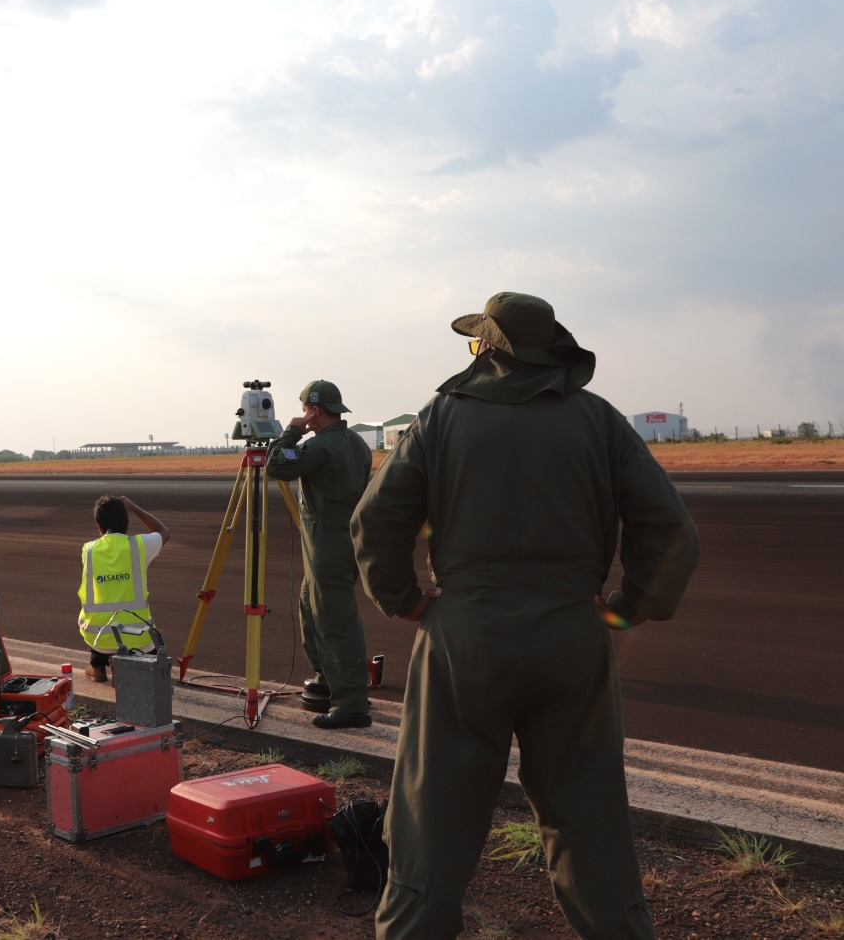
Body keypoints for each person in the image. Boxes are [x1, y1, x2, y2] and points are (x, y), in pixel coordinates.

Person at [351, 292, 700, 939]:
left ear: (488, 350)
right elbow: (672, 529)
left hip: (464, 640)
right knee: (589, 819)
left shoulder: (442, 418)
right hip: (573, 637)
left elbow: (376, 521)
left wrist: (407, 601)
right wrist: (626, 609)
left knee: (433, 819)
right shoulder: (598, 420)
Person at [265, 380, 374, 729]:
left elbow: (277, 464)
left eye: (304, 411)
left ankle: (352, 703)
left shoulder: (322, 447)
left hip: (328, 540)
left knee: (334, 619)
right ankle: (329, 681)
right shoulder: (355, 442)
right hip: (340, 538)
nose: (302, 417)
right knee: (312, 608)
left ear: (314, 410)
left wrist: (290, 434)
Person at [77, 495, 171, 682]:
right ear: (127, 522)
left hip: (96, 635)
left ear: (99, 527)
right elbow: (163, 531)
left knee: (104, 617)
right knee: (151, 651)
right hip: (136, 636)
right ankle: (122, 669)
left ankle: (98, 667)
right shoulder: (139, 546)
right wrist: (134, 507)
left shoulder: (88, 549)